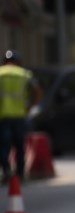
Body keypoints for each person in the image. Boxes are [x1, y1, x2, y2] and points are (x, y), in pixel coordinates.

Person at [0, 50, 42, 181]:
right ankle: (20, 173)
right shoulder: (24, 74)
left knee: (2, 145)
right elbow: (38, 91)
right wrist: (30, 106)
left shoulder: (0, 73)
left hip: (3, 116)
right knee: (19, 145)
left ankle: (6, 170)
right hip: (20, 115)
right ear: (17, 62)